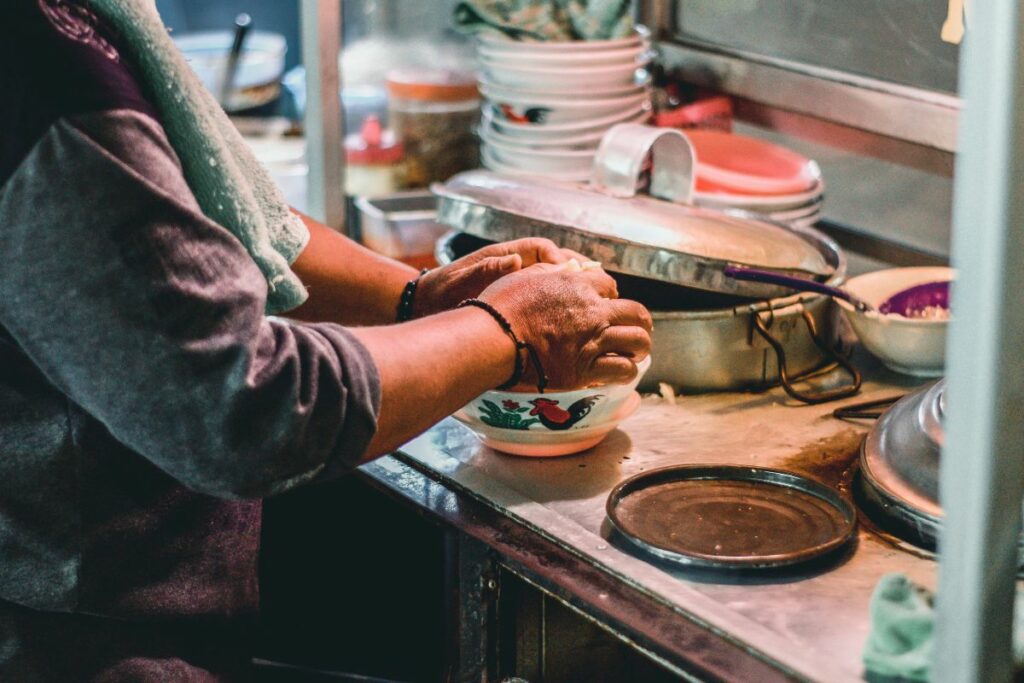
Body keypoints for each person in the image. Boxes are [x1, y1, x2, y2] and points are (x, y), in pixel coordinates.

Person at [0, 1, 652, 680]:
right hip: (74, 639)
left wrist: (416, 299)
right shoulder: (35, 65)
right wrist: (506, 331)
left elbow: (226, 212)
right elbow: (239, 403)